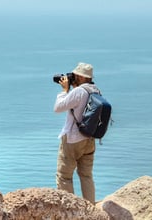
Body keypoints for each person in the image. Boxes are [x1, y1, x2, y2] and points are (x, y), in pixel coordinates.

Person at [53, 62, 100, 204]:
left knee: (64, 176)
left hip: (73, 139)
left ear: (80, 77)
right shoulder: (95, 90)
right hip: (89, 139)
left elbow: (58, 107)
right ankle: (91, 210)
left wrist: (64, 90)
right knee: (86, 176)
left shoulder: (78, 92)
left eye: (75, 75)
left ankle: (69, 210)